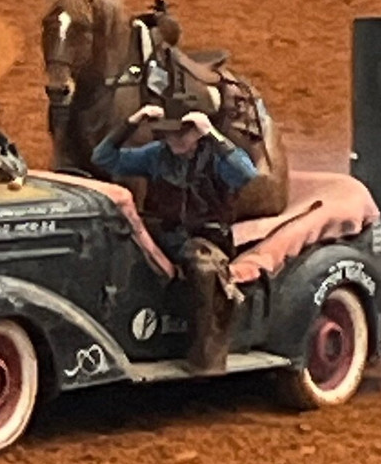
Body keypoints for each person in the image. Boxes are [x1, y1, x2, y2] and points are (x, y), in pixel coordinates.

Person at [91, 99, 257, 374]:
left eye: (183, 132)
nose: (175, 139)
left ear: (197, 132)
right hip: (160, 234)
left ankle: (206, 360)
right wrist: (132, 122)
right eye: (168, 133)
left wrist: (213, 135)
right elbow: (104, 157)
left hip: (204, 240)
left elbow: (246, 173)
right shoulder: (156, 155)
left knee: (204, 269)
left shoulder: (217, 158)